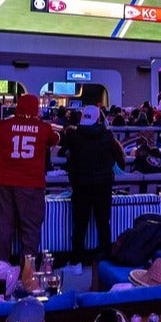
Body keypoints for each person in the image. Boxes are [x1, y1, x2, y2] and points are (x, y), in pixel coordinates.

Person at [0, 94, 60, 264]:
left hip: (3, 183)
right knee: (30, 230)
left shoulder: (3, 125)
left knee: (1, 229)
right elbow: (56, 140)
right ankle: (27, 274)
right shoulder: (43, 128)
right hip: (32, 184)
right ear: (35, 109)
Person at [60, 105, 126, 262]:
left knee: (79, 226)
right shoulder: (108, 137)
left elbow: (66, 157)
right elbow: (121, 161)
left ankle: (77, 260)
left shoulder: (74, 137)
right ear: (100, 119)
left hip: (80, 186)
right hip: (103, 186)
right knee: (103, 223)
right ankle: (104, 260)